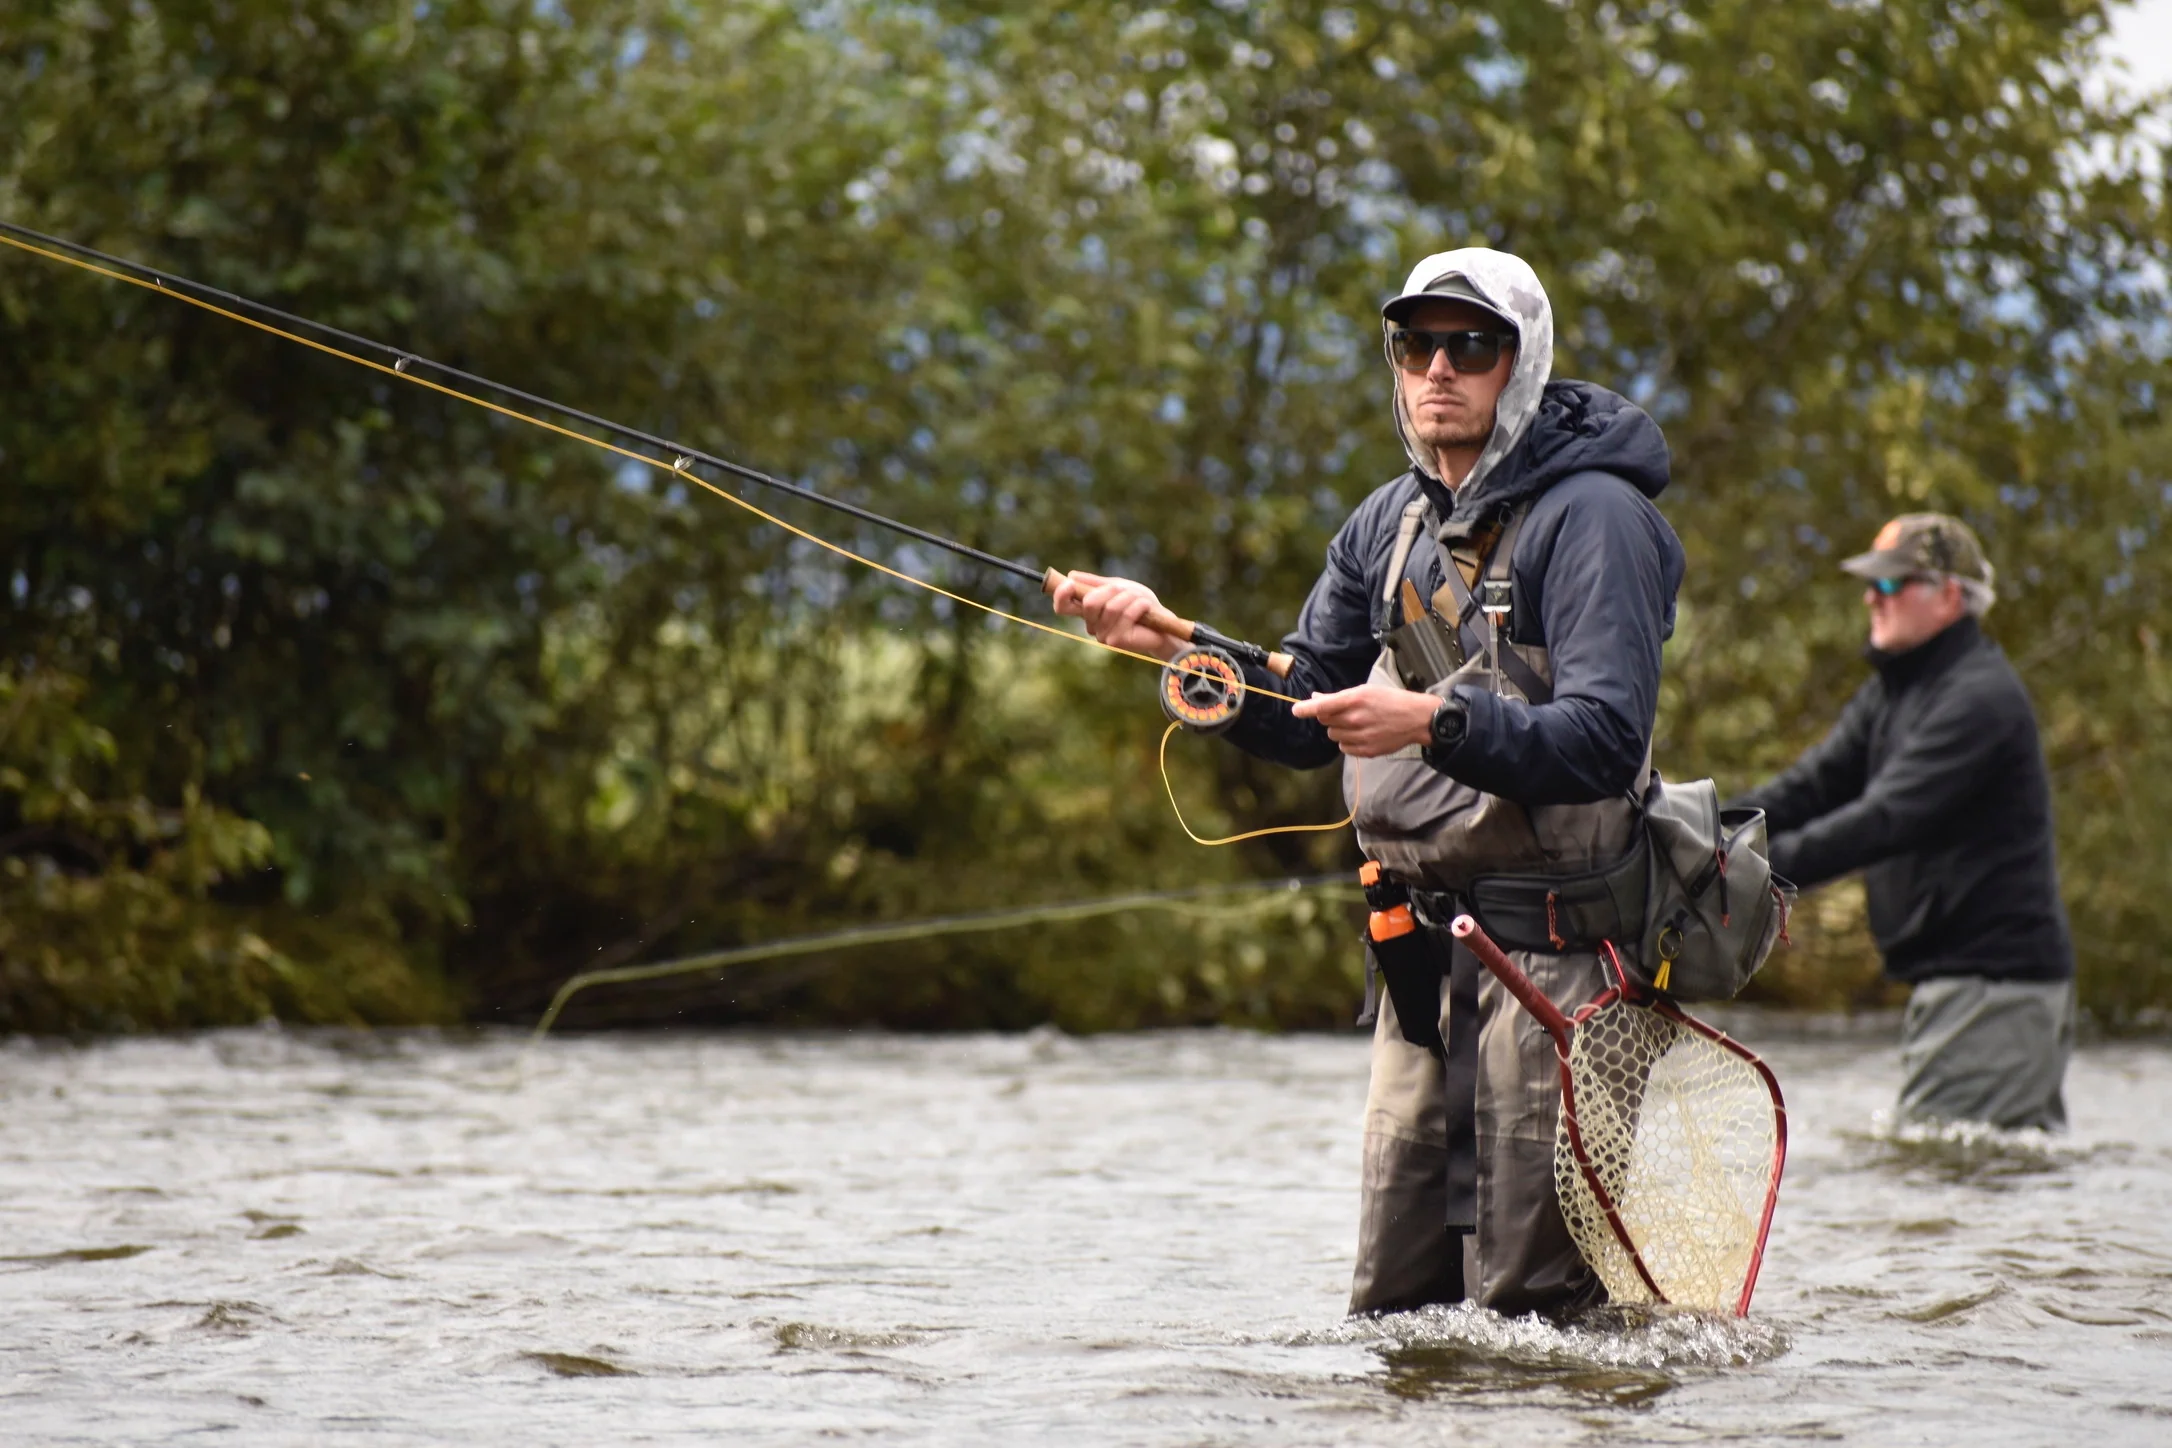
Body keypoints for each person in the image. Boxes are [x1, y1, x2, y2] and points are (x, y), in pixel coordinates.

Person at [1053, 249, 1683, 1317]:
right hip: (1420, 966)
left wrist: (1433, 721)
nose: (1439, 369)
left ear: (1519, 367)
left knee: (1541, 1312)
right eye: (1415, 345)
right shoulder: (1385, 523)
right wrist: (1174, 646)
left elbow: (1604, 740)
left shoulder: (1598, 519)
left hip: (1561, 965)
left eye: (1471, 347)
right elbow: (1306, 711)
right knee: (1399, 1309)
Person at [1727, 514, 2075, 1132]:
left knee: (1943, 1182)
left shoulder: (1978, 700)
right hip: (1964, 994)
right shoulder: (1897, 690)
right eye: (1871, 584)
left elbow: (1881, 820)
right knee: (1983, 1181)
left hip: (1991, 992)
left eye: (1890, 585)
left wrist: (1741, 873)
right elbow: (1809, 788)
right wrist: (1703, 830)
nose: (1870, 597)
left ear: (1949, 596)